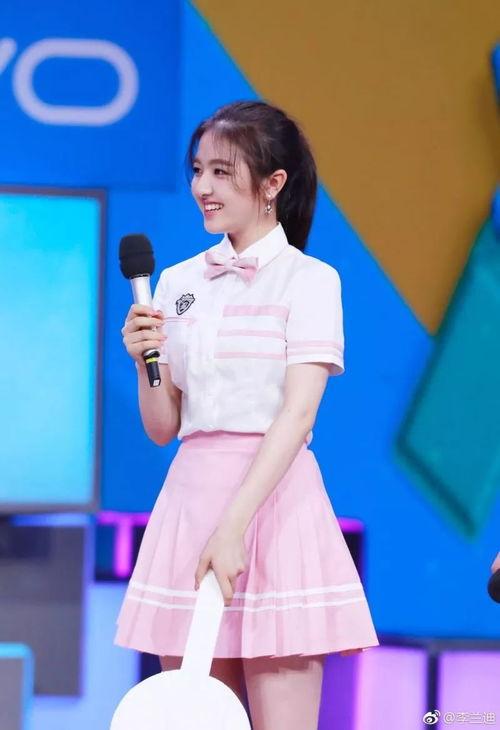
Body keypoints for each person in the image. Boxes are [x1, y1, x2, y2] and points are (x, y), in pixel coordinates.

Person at [114, 100, 379, 730]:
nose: (202, 187)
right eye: (197, 170)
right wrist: (144, 360)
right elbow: (163, 428)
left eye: (222, 172)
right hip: (190, 506)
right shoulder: (176, 283)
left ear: (272, 184)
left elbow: (297, 415)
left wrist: (234, 527)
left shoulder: (310, 280)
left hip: (275, 510)